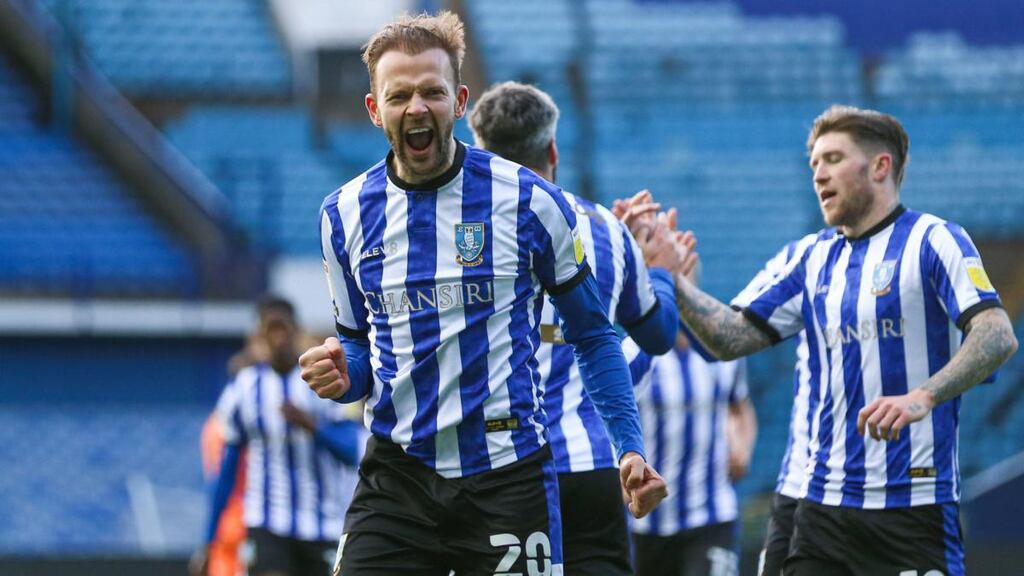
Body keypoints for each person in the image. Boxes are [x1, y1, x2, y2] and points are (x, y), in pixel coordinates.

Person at [299, 11, 667, 575]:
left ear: (460, 101)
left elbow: (594, 336)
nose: (417, 108)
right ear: (375, 110)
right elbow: (357, 347)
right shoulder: (343, 215)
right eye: (399, 95)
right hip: (399, 476)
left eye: (432, 92)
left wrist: (630, 447)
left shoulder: (529, 201)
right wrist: (342, 370)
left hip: (508, 476)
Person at [634, 105, 1018, 575]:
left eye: (833, 159)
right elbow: (728, 339)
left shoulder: (934, 241)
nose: (819, 175)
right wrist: (670, 278)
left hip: (911, 504)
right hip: (811, 508)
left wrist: (922, 397)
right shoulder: (808, 257)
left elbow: (997, 334)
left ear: (881, 166)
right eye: (814, 163)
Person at [468, 81, 685, 574]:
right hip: (589, 468)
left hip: (494, 470)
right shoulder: (607, 229)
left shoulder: (459, 234)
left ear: (478, 152)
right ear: (552, 150)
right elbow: (658, 335)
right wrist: (660, 273)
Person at [195, 296, 366, 576]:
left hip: (321, 524)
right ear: (260, 335)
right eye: (270, 330)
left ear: (295, 330)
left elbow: (352, 451)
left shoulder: (322, 383)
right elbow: (226, 472)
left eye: (282, 328)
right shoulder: (244, 388)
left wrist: (312, 426)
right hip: (267, 522)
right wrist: (208, 540)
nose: (277, 338)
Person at [624, 262, 758, 576]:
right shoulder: (639, 356)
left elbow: (740, 408)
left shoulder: (721, 355)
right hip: (646, 523)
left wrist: (743, 446)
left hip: (711, 516)